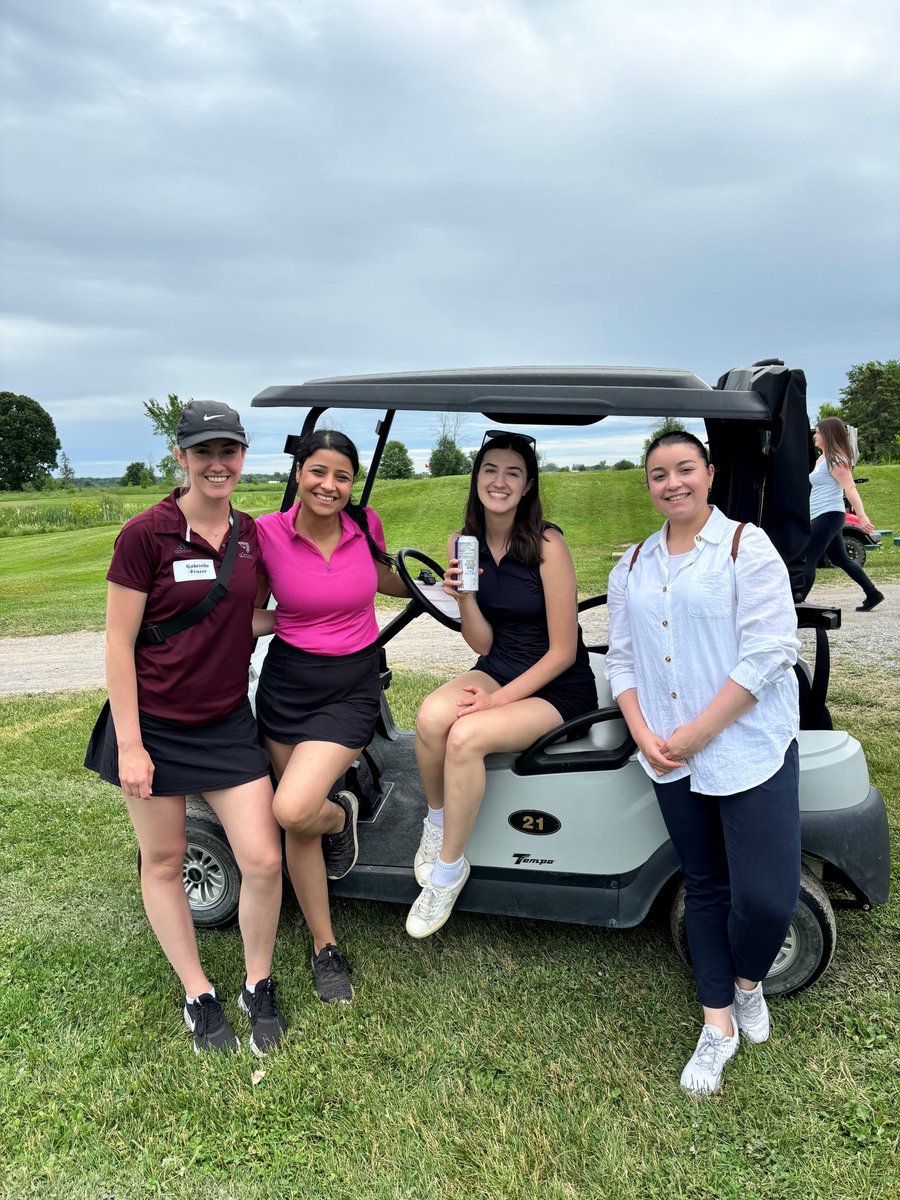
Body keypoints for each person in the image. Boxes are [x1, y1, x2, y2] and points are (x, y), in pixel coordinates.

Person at [85, 401, 286, 1056]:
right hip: (155, 727)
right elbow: (119, 645)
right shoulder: (146, 534)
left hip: (226, 724)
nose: (217, 464)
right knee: (165, 860)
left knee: (261, 858)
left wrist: (299, 622)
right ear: (182, 458)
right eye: (204, 452)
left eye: (228, 451)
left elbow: (241, 619)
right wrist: (134, 746)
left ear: (243, 457)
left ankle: (258, 983)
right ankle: (198, 993)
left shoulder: (250, 535)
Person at [605, 430, 801, 1095]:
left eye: (684, 469)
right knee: (707, 887)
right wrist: (644, 732)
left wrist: (697, 732)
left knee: (766, 897)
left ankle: (749, 984)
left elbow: (770, 653)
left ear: (709, 474)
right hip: (668, 755)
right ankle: (718, 1024)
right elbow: (623, 661)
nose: (672, 483)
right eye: (658, 474)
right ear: (649, 486)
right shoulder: (631, 566)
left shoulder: (747, 548)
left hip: (747, 748)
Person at [408, 431, 598, 938]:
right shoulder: (460, 542)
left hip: (558, 685)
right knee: (431, 717)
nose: (499, 481)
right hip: (499, 664)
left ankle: (449, 872)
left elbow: (562, 651)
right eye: (490, 469)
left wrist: (496, 702)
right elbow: (484, 642)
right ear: (476, 478)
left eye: (513, 472)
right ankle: (436, 821)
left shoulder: (548, 545)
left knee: (466, 736)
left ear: (527, 484)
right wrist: (464, 598)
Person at [254, 430, 409, 1004]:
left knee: (293, 807)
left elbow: (382, 578)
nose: (330, 485)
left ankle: (338, 820)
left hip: (350, 689)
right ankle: (325, 946)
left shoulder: (365, 527)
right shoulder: (266, 534)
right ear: (299, 473)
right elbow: (249, 609)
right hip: (287, 687)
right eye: (319, 472)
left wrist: (427, 582)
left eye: (342, 476)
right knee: (297, 820)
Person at [801, 416, 883, 611]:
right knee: (840, 559)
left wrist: (862, 515)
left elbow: (850, 488)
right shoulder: (822, 458)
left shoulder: (837, 460)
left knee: (808, 557)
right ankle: (873, 594)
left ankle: (797, 601)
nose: (815, 435)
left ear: (828, 435)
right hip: (822, 515)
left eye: (819, 432)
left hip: (830, 515)